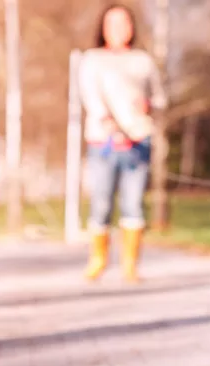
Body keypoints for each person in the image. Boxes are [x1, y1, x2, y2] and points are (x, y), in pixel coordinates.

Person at [79, 4, 166, 283]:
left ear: (132, 27)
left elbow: (160, 98)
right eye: (112, 23)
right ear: (102, 27)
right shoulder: (92, 59)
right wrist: (112, 127)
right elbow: (91, 98)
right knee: (101, 202)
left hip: (138, 141)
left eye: (124, 22)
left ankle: (130, 264)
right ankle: (98, 260)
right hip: (103, 142)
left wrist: (148, 104)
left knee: (134, 203)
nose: (118, 28)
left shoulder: (143, 61)